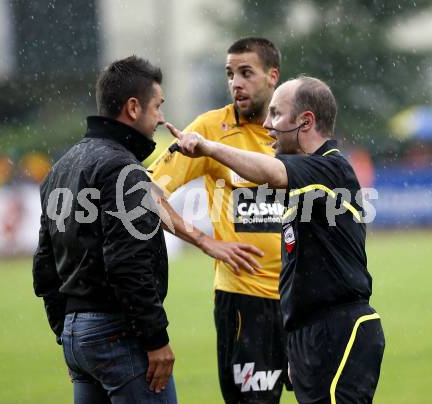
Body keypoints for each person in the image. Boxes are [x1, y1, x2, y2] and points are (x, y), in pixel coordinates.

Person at [166, 75, 385, 404]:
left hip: (340, 331)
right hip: (308, 334)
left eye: (277, 114)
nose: (267, 124)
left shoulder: (331, 169)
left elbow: (270, 171)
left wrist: (207, 147)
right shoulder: (303, 187)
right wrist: (295, 340)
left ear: (305, 121)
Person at [149, 38, 291, 403]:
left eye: (246, 73)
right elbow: (144, 192)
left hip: (305, 298)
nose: (235, 83)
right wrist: (203, 240)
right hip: (246, 301)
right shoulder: (209, 130)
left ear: (272, 76)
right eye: (230, 74)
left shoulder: (293, 131)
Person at [33, 56, 177, 404]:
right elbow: (128, 262)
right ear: (132, 108)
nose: (160, 118)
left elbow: (45, 265)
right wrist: (156, 339)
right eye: (157, 107)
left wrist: (66, 331)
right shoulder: (125, 170)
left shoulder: (61, 167)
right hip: (118, 333)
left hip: (76, 335)